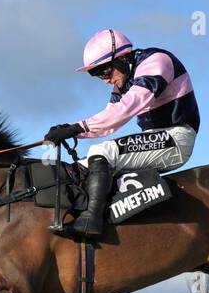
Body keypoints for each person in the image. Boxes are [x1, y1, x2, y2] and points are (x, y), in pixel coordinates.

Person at [44, 29, 200, 239]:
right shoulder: (124, 81)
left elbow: (124, 110)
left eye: (104, 72)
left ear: (122, 59)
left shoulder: (156, 61)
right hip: (158, 138)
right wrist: (72, 130)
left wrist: (76, 128)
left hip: (177, 138)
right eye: (96, 75)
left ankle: (92, 221)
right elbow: (110, 119)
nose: (104, 81)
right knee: (84, 163)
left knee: (103, 151)